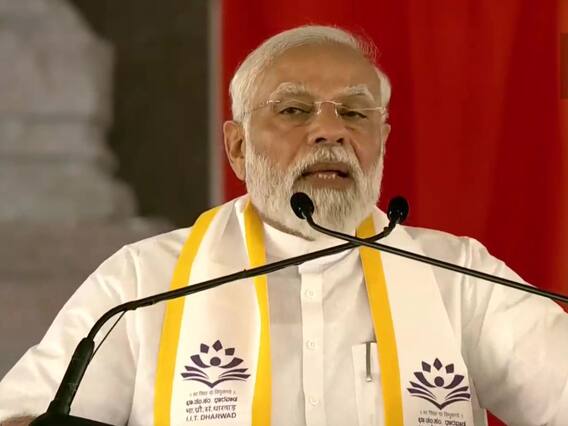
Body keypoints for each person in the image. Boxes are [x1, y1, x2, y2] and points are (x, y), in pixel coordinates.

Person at [1, 25, 567, 426]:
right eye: (294, 110)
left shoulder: (459, 276)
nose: (330, 131)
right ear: (237, 146)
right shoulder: (144, 282)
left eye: (355, 112)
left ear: (383, 141)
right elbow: (26, 414)